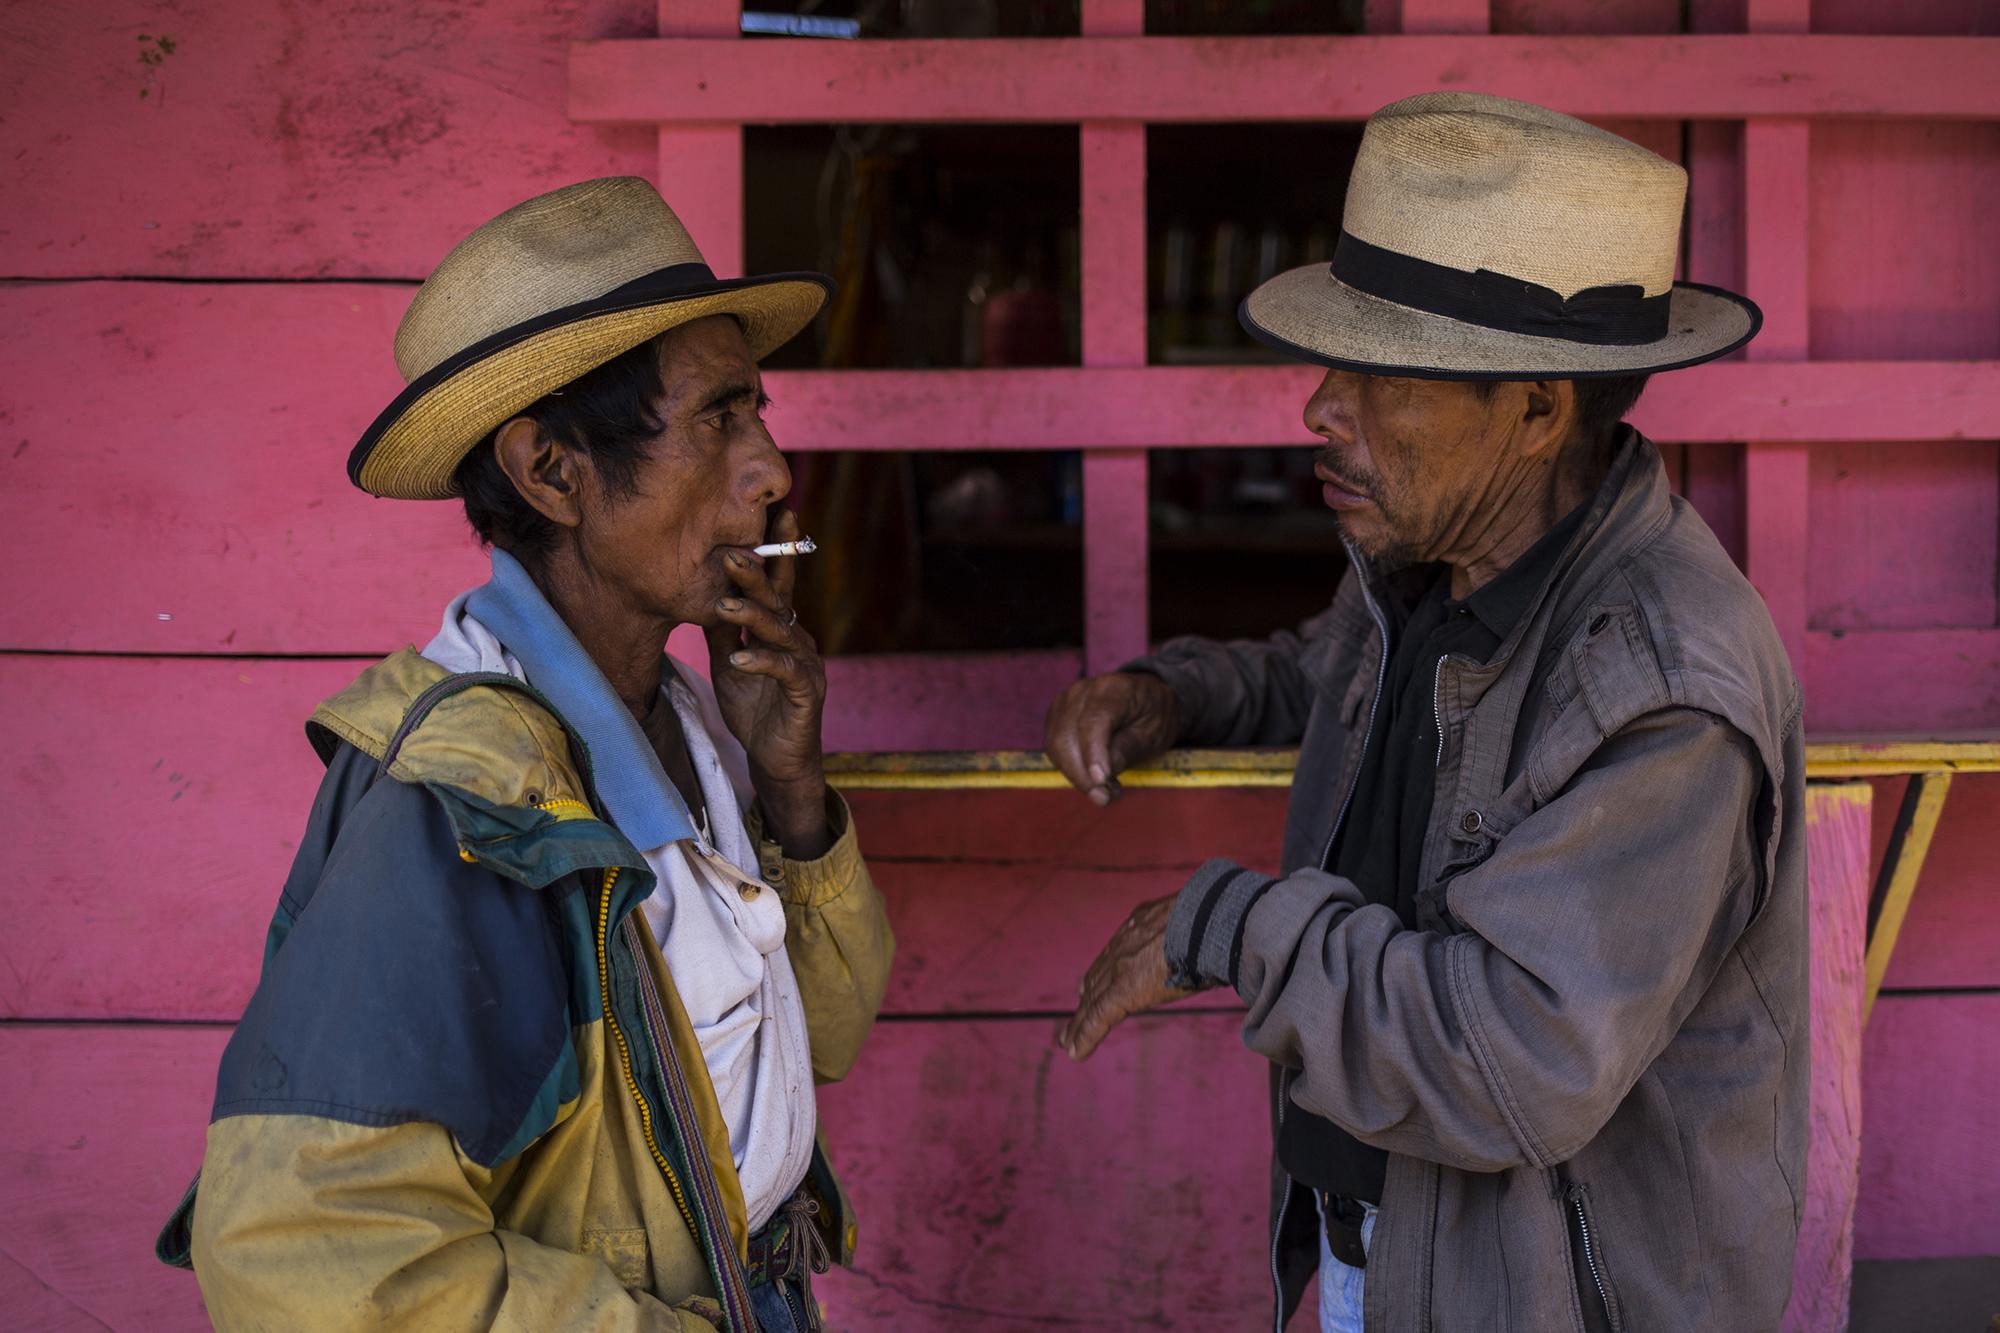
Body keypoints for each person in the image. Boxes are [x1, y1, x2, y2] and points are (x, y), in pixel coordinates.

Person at [1046, 94, 1803, 1333]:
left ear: (1538, 410)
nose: (1318, 410)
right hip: (1392, 1259)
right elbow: (1325, 674)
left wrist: (1228, 926)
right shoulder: (1443, 566)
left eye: (1381, 374)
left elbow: (1517, 1058)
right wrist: (1173, 690)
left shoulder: (1663, 685)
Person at [156, 177, 894, 1332]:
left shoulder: (687, 716)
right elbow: (299, 1247)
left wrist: (792, 792)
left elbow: (826, 1037)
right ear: (552, 472)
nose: (770, 470)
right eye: (717, 419)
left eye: (758, 413)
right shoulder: (465, 793)